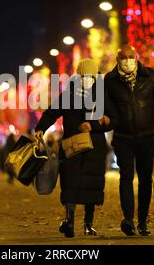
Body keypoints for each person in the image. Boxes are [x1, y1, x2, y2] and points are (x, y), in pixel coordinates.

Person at [35, 58, 119, 238]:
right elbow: (52, 112)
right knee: (70, 184)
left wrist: (95, 126)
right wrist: (40, 128)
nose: (86, 79)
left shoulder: (103, 96)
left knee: (92, 186)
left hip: (94, 148)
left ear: (96, 76)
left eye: (90, 76)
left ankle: (88, 225)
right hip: (71, 146)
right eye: (83, 76)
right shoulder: (68, 95)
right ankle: (69, 221)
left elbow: (114, 119)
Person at [105, 45, 154, 236]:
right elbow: (105, 106)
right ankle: (128, 219)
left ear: (136, 57)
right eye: (124, 57)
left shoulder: (150, 76)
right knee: (126, 177)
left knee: (145, 179)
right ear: (117, 60)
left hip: (147, 136)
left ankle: (142, 221)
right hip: (123, 137)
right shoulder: (110, 80)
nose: (127, 60)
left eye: (130, 57)